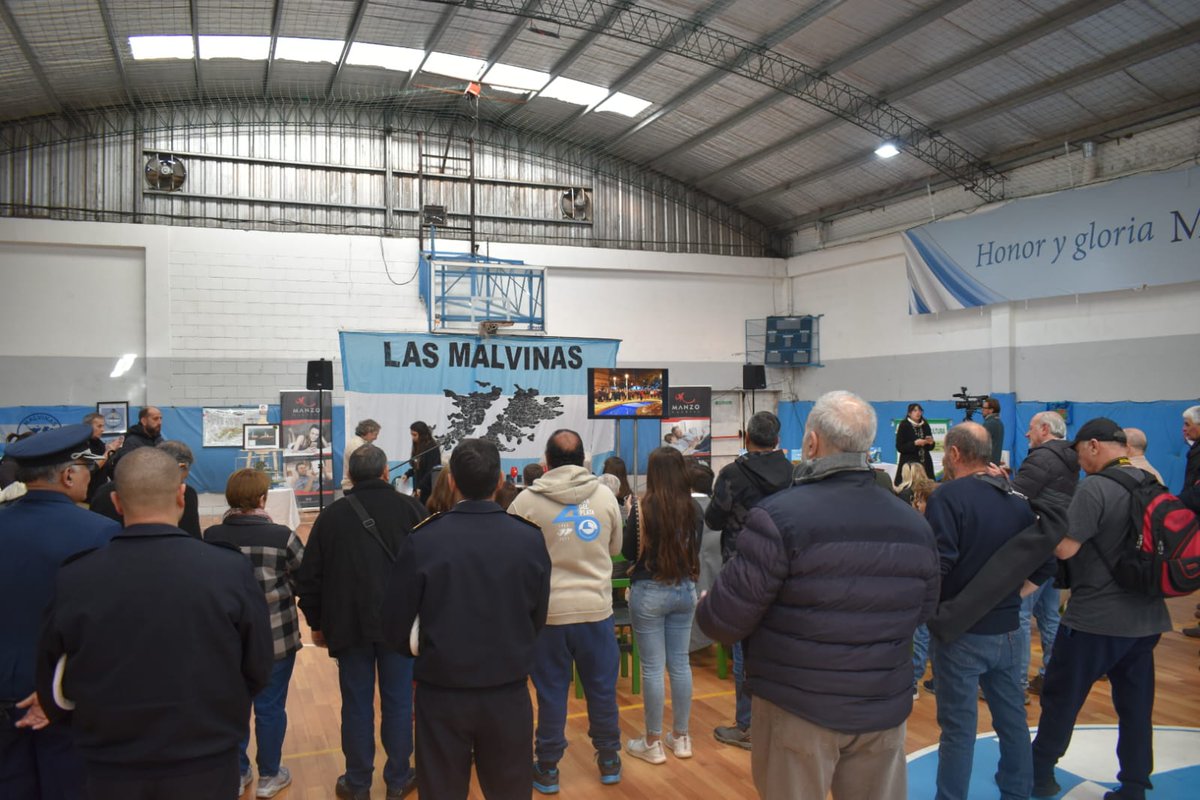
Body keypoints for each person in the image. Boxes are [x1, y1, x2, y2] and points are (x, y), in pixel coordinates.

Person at [696, 391, 939, 800]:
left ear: (811, 443)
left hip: (798, 709)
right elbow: (924, 609)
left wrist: (708, 604)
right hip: (882, 706)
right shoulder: (913, 524)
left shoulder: (777, 518)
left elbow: (723, 621)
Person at [36, 447, 273, 800]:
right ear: (181, 495)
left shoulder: (76, 577)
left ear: (116, 502)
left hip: (110, 763)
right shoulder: (228, 571)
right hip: (204, 757)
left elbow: (53, 685)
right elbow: (257, 667)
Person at [381, 438, 551, 799]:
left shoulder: (423, 541)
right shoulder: (529, 539)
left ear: (452, 481)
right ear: (502, 480)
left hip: (442, 693)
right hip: (507, 691)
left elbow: (395, 626)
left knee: (441, 790)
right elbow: (538, 616)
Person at [1031, 418, 1173, 800]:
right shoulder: (1151, 482)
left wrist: (1045, 522)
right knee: (1136, 708)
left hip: (1096, 618)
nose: (1081, 463)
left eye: (1080, 454)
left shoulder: (1095, 488)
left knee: (1062, 698)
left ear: (1094, 445)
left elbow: (1065, 549)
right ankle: (1134, 785)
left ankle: (1041, 773)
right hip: (1147, 618)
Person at [295, 444, 427, 800]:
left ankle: (358, 783)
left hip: (349, 625)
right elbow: (431, 567)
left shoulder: (332, 515)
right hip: (400, 626)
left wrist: (317, 622)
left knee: (356, 703)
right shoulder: (411, 508)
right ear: (386, 473)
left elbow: (309, 578)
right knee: (399, 702)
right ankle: (399, 778)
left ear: (350, 476)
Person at [928, 422, 1046, 800]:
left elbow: (939, 566)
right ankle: (1018, 792)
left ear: (955, 454)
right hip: (1010, 627)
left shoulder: (947, 497)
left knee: (959, 730)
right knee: (1013, 721)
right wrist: (1011, 596)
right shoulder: (1018, 498)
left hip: (962, 632)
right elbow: (1044, 566)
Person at [1, 425, 120, 799]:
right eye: (87, 467)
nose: (90, 474)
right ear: (69, 474)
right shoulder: (101, 534)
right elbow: (106, 628)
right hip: (67, 705)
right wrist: (55, 694)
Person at [507, 429, 624, 793]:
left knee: (551, 693)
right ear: (583, 461)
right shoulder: (605, 495)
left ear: (546, 461)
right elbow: (616, 546)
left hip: (549, 617)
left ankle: (548, 766)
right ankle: (608, 759)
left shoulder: (526, 501)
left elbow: (512, 557)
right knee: (602, 689)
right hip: (596, 612)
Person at [203, 468, 305, 798]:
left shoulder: (213, 537)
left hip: (226, 639)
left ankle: (237, 771)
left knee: (233, 706)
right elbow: (305, 579)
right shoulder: (283, 536)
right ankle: (270, 775)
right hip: (276, 637)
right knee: (271, 707)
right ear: (263, 499)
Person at [705, 410, 793, 750]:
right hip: (786, 565)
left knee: (745, 645)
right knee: (783, 644)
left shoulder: (731, 474)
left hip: (742, 565)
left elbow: (713, 521)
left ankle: (747, 725)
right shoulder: (792, 472)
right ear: (778, 439)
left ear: (746, 438)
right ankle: (780, 723)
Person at [621, 446, 703, 764]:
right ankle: (681, 737)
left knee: (653, 668)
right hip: (684, 589)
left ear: (652, 473)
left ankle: (653, 742)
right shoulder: (693, 508)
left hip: (649, 590)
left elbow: (629, 553)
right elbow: (694, 547)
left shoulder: (642, 507)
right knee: (680, 664)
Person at [1011, 410, 1079, 696]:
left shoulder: (1040, 458)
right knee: (1050, 617)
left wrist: (1000, 482)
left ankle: (1018, 685)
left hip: (1037, 544)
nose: (1027, 434)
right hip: (1059, 543)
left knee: (1022, 616)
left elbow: (1017, 498)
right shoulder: (1072, 458)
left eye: (1030, 428)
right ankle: (1050, 677)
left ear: (1043, 429)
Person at [89, 440, 202, 538]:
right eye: (183, 478)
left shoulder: (104, 491)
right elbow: (192, 536)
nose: (182, 483)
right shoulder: (185, 493)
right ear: (181, 466)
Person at [82, 412, 120, 501]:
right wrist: (108, 452)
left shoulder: (100, 444)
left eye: (103, 426)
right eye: (99, 426)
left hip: (100, 495)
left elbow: (108, 468)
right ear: (88, 427)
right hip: (86, 497)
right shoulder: (82, 445)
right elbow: (91, 468)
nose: (103, 430)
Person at [895, 402, 935, 483]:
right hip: (910, 463)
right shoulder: (904, 425)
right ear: (909, 413)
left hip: (925, 462)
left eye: (920, 411)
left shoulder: (925, 424)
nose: (918, 413)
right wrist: (914, 444)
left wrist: (931, 443)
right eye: (915, 410)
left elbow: (930, 447)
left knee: (927, 487)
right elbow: (900, 447)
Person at [342, 419, 381, 490]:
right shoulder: (357, 446)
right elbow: (363, 470)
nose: (376, 438)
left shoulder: (358, 443)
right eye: (375, 434)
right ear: (368, 432)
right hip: (353, 487)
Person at [405, 422, 439, 501]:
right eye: (411, 435)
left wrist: (420, 487)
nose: (413, 438)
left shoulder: (432, 448)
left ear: (422, 434)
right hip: (418, 487)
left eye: (415, 435)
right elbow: (418, 467)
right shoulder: (418, 445)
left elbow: (430, 471)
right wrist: (408, 474)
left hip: (428, 489)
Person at [981, 396, 1005, 466]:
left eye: (984, 408)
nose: (982, 410)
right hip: (994, 464)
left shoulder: (989, 423)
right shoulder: (999, 422)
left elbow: (979, 445)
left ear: (991, 410)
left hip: (987, 465)